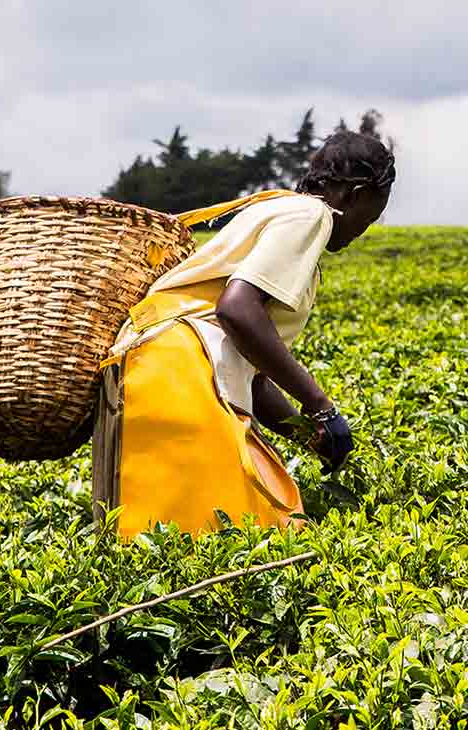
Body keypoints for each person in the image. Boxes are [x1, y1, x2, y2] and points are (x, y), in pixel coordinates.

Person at [92, 131, 396, 539]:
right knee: (247, 530)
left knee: (149, 533)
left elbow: (248, 367)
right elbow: (236, 311)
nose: (365, 229)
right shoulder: (311, 216)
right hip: (182, 371)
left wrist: (307, 433)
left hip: (151, 369)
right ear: (354, 195)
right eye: (371, 217)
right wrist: (321, 405)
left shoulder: (277, 210)